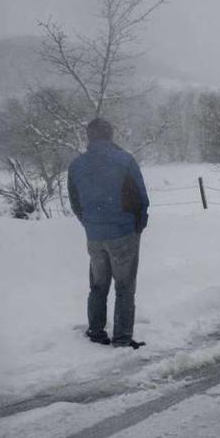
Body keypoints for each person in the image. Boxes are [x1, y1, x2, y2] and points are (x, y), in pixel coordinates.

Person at [68, 118, 149, 349]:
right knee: (124, 287)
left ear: (88, 137)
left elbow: (74, 201)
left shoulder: (77, 165)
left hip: (94, 234)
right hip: (123, 232)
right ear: (111, 135)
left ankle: (95, 330)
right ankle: (122, 337)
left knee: (98, 284)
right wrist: (139, 224)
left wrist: (89, 223)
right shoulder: (125, 161)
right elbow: (141, 198)